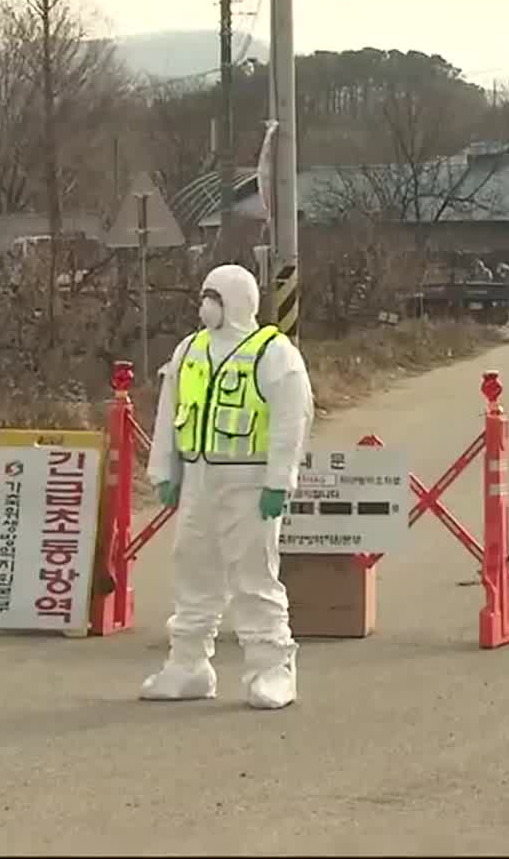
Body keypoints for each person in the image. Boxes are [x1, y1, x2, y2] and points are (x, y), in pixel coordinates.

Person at [141, 264, 314, 710]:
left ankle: (272, 668)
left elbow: (290, 421)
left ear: (237, 299)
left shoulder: (273, 352)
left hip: (249, 481)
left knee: (253, 574)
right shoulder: (191, 349)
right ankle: (188, 664)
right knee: (192, 568)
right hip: (199, 478)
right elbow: (169, 411)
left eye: (214, 295)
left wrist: (280, 480)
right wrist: (165, 471)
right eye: (204, 294)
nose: (205, 303)